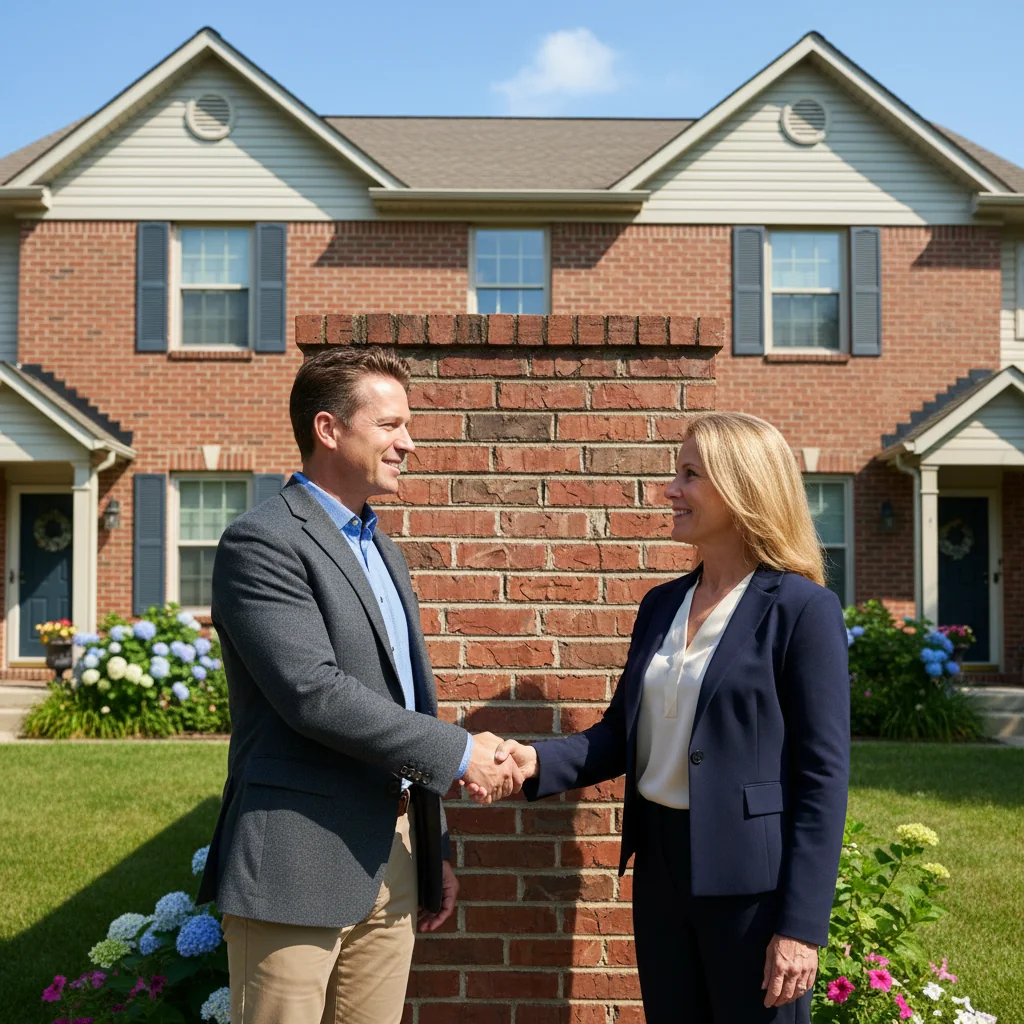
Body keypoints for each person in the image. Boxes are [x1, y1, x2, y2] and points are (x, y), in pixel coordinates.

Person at [197, 347, 522, 1024]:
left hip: (394, 861)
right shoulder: (263, 542)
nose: (409, 441)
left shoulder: (380, 548)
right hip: (297, 861)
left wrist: (432, 849)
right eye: (390, 425)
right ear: (328, 429)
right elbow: (313, 693)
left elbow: (402, 700)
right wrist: (462, 753)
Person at [493, 412, 850, 1023]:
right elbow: (621, 734)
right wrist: (535, 761)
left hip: (752, 887)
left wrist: (801, 926)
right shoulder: (662, 604)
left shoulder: (802, 609)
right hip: (661, 870)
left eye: (690, 475)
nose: (669, 490)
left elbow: (823, 778)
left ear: (743, 488)